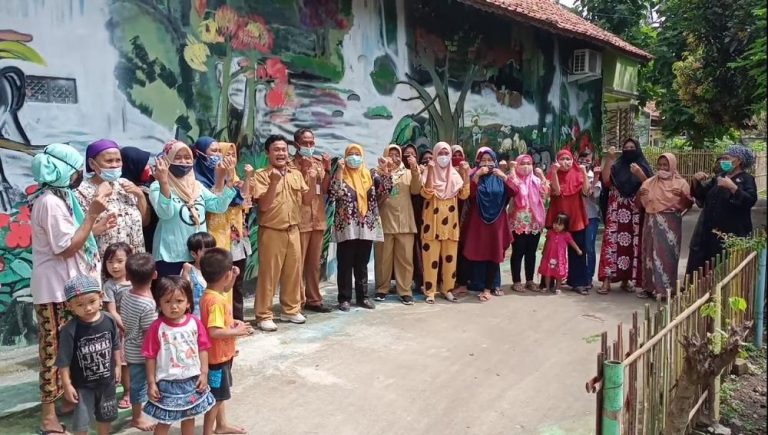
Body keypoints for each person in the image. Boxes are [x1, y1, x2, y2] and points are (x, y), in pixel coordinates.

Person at [30, 143, 108, 435]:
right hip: (54, 289)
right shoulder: (49, 202)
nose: (78, 175)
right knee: (53, 350)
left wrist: (93, 227)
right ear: (62, 170)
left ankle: (67, 401)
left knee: (71, 346)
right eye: (75, 169)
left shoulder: (60, 198)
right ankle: (49, 417)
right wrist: (91, 215)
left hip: (69, 287)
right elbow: (65, 248)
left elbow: (74, 237)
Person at [250, 134, 315, 330]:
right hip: (271, 230)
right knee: (269, 274)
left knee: (293, 272)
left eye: (284, 150)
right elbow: (263, 206)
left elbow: (307, 200)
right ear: (267, 153)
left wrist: (311, 180)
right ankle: (264, 314)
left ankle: (290, 310)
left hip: (294, 229)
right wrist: (274, 182)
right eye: (276, 150)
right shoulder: (261, 175)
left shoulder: (295, 174)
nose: (281, 153)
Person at [149, 140, 238, 277]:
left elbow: (218, 206)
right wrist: (164, 182)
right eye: (177, 158)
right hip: (171, 255)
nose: (183, 162)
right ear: (167, 160)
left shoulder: (197, 186)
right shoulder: (157, 186)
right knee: (173, 296)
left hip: (198, 254)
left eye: (187, 158)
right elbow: (165, 213)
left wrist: (229, 181)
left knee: (196, 296)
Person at [142, 276, 216, 435]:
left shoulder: (195, 323)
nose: (174, 306)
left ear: (188, 302)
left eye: (179, 301)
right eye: (167, 302)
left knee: (190, 416)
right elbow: (150, 356)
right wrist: (151, 383)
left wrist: (204, 373)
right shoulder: (157, 327)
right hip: (167, 383)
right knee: (165, 419)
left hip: (192, 381)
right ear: (159, 304)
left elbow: (203, 348)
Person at [192, 138, 252, 319]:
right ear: (200, 153)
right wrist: (224, 180)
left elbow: (242, 202)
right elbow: (217, 205)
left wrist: (234, 177)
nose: (220, 156)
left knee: (232, 279)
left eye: (221, 152)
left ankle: (232, 320)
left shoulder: (229, 176)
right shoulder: (196, 179)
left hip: (233, 234)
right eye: (215, 151)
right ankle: (216, 322)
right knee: (215, 280)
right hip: (212, 234)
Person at [330, 144, 393, 311]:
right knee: (345, 263)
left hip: (366, 225)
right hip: (347, 226)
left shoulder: (370, 175)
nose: (354, 157)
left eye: (357, 154)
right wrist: (339, 171)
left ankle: (362, 297)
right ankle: (344, 298)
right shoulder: (341, 175)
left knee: (362, 263)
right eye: (350, 154)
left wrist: (385, 170)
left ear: (363, 156)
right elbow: (334, 193)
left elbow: (386, 189)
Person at [56, 275, 121, 435]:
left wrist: (118, 365)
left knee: (105, 417)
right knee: (81, 422)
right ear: (70, 306)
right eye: (80, 304)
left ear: (100, 298)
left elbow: (115, 344)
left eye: (91, 302)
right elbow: (63, 361)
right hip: (83, 387)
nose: (88, 308)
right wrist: (67, 384)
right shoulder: (69, 330)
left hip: (107, 382)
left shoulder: (109, 320)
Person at [199, 248, 254, 435]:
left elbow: (225, 287)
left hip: (220, 356)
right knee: (217, 397)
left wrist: (232, 323)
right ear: (225, 274)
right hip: (218, 359)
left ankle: (221, 425)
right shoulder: (216, 302)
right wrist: (236, 331)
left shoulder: (211, 294)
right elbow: (213, 331)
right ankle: (208, 431)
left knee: (219, 394)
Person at [686, 145, 758, 276]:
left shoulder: (747, 179)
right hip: (709, 230)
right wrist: (696, 181)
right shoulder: (719, 177)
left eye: (727, 158)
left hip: (731, 232)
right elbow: (701, 195)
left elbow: (750, 200)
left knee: (724, 265)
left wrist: (733, 188)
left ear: (738, 161)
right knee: (704, 263)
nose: (722, 161)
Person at [598, 139, 653, 294]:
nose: (629, 150)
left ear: (638, 149)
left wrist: (639, 174)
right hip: (616, 209)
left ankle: (626, 280)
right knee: (611, 243)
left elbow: (651, 185)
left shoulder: (643, 166)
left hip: (635, 210)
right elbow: (607, 181)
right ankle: (606, 281)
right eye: (626, 147)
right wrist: (609, 159)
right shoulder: (616, 165)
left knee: (631, 245)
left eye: (632, 147)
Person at [75, 139, 149, 255]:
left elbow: (144, 222)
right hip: (104, 263)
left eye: (118, 160)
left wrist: (140, 196)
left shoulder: (125, 185)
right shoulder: (81, 192)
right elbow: (75, 236)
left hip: (134, 264)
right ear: (92, 163)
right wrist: (95, 229)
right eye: (109, 161)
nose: (114, 165)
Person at [637, 153, 693, 299]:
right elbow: (639, 203)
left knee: (667, 256)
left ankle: (666, 290)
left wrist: (682, 195)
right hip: (650, 223)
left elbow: (688, 205)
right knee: (649, 254)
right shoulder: (649, 183)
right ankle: (649, 288)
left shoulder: (681, 184)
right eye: (660, 165)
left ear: (672, 166)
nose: (662, 168)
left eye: (665, 165)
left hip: (670, 225)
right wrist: (640, 194)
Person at [420, 142, 470, 303]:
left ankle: (447, 289)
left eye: (446, 153)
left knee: (450, 259)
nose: (443, 157)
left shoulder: (455, 175)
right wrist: (429, 171)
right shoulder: (428, 172)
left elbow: (464, 195)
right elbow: (426, 193)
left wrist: (465, 173)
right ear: (434, 155)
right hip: (431, 224)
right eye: (440, 153)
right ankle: (430, 291)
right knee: (430, 259)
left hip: (451, 225)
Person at [291, 128, 333, 313]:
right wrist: (303, 170)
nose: (309, 146)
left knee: (314, 263)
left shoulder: (317, 163)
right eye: (305, 143)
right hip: (301, 219)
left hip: (318, 219)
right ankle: (296, 302)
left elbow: (324, 189)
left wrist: (327, 169)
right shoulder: (292, 165)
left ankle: (314, 300)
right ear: (296, 145)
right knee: (297, 263)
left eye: (312, 143)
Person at [373, 144, 421, 305]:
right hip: (384, 222)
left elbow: (416, 190)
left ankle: (405, 291)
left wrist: (415, 169)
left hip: (405, 222)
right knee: (382, 259)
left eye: (397, 154)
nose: (394, 157)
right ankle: (382, 288)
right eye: (390, 154)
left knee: (405, 259)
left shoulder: (408, 173)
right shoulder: (377, 173)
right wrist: (384, 171)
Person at [463, 148, 511, 302]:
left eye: (490, 160)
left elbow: (515, 191)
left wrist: (504, 177)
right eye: (483, 160)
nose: (487, 163)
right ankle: (475, 284)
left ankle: (489, 288)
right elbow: (469, 193)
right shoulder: (474, 175)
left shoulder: (499, 176)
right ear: (478, 162)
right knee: (477, 252)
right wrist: (477, 175)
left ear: (495, 161)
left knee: (493, 253)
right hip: (478, 221)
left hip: (497, 222)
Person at [119, 253, 158, 432]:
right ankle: (137, 417)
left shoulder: (127, 295)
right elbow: (149, 334)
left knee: (137, 383)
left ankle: (138, 412)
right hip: (142, 353)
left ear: (127, 277)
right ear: (154, 276)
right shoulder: (148, 306)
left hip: (130, 346)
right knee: (139, 385)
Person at [546, 149, 591, 294]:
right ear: (557, 161)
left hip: (576, 216)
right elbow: (557, 192)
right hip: (558, 218)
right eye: (562, 159)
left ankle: (577, 282)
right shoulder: (553, 173)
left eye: (569, 159)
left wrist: (584, 172)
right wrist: (553, 172)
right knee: (552, 251)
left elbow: (585, 192)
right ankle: (549, 281)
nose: (566, 162)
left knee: (578, 250)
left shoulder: (578, 172)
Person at [508, 154, 549, 292]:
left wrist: (542, 176)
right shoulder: (513, 179)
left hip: (534, 222)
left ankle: (530, 280)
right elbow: (515, 188)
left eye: (529, 163)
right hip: (518, 222)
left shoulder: (536, 181)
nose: (526, 166)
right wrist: (512, 170)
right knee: (518, 252)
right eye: (522, 163)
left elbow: (545, 194)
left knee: (531, 253)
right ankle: (516, 281)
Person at [101, 242, 133, 410]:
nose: (114, 266)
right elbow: (112, 311)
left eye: (120, 261)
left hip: (139, 329)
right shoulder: (109, 286)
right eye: (110, 261)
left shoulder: (136, 280)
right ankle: (127, 392)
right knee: (125, 364)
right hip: (122, 331)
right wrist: (126, 327)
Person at [120, 146, 158, 251]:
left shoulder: (151, 185)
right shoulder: (121, 189)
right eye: (144, 165)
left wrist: (140, 194)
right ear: (133, 166)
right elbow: (144, 222)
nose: (148, 168)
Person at [538, 213, 583, 294]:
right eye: (555, 223)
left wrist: (578, 249)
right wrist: (544, 250)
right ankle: (547, 287)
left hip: (560, 258)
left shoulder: (566, 235)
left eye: (560, 224)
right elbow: (547, 241)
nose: (556, 226)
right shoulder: (550, 232)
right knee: (547, 273)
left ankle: (558, 288)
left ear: (565, 226)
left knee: (559, 273)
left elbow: (572, 242)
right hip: (548, 256)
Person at [403, 144, 426, 294]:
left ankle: (420, 280)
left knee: (417, 249)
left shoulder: (420, 170)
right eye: (406, 155)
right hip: (402, 214)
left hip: (418, 214)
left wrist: (417, 169)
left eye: (412, 154)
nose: (409, 157)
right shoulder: (399, 172)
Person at [577, 150, 602, 288]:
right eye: (582, 160)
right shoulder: (574, 175)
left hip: (591, 217)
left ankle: (588, 277)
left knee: (589, 248)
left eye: (587, 161)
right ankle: (577, 275)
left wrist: (596, 178)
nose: (584, 163)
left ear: (591, 162)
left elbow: (592, 195)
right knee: (577, 247)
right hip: (576, 216)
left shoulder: (594, 177)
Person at [181, 232, 217, 317]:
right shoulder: (189, 270)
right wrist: (185, 273)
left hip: (214, 315)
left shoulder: (216, 269)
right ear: (193, 254)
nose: (211, 254)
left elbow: (225, 289)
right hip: (197, 317)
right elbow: (185, 291)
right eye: (207, 251)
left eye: (213, 250)